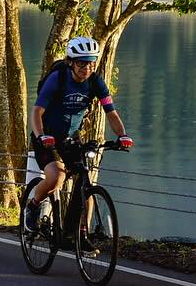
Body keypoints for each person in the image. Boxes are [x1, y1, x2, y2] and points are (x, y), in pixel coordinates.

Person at [24, 36, 133, 236]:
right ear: (71, 62)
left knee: (85, 182)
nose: (87, 68)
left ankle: (82, 233)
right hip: (46, 137)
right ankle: (33, 205)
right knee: (56, 177)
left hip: (71, 137)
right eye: (82, 63)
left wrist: (123, 135)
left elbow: (111, 112)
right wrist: (41, 136)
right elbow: (37, 111)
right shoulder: (58, 79)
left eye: (91, 63)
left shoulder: (95, 82)